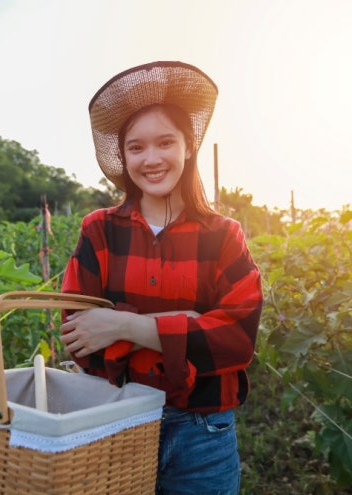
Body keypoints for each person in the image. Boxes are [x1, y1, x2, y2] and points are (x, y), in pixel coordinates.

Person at [59, 61, 263, 495]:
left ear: (188, 147)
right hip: (115, 421)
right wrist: (186, 322)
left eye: (165, 142)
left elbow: (237, 340)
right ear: (124, 156)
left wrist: (123, 324)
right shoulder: (99, 231)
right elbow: (79, 339)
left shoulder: (223, 236)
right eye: (136, 148)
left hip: (202, 432)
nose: (151, 159)